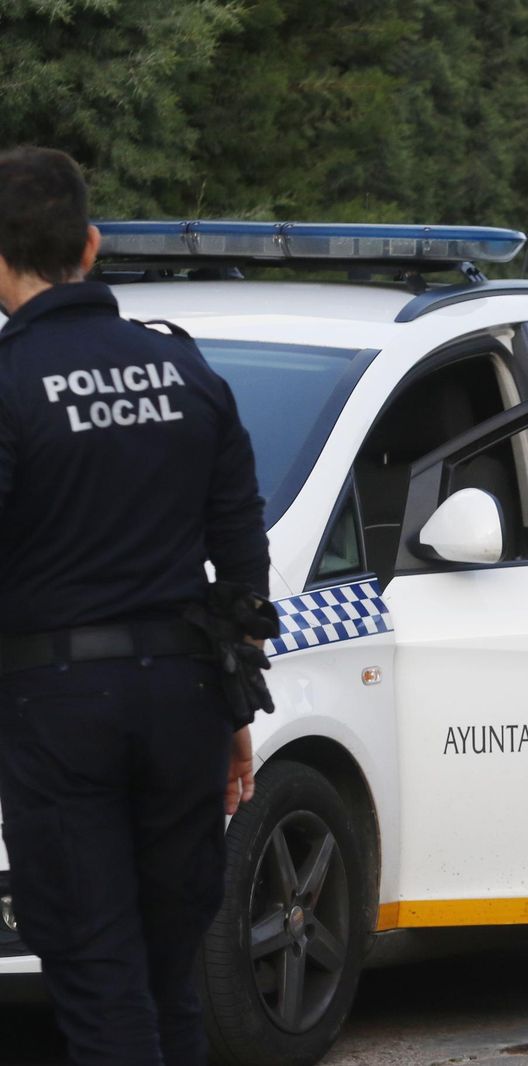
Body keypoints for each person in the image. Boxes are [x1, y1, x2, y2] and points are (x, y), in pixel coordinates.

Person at [0, 147, 270, 1064]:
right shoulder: (185, 373)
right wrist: (236, 709)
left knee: (100, 982)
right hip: (188, 702)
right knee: (169, 978)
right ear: (91, 242)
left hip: (59, 710)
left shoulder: (7, 385)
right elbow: (241, 555)